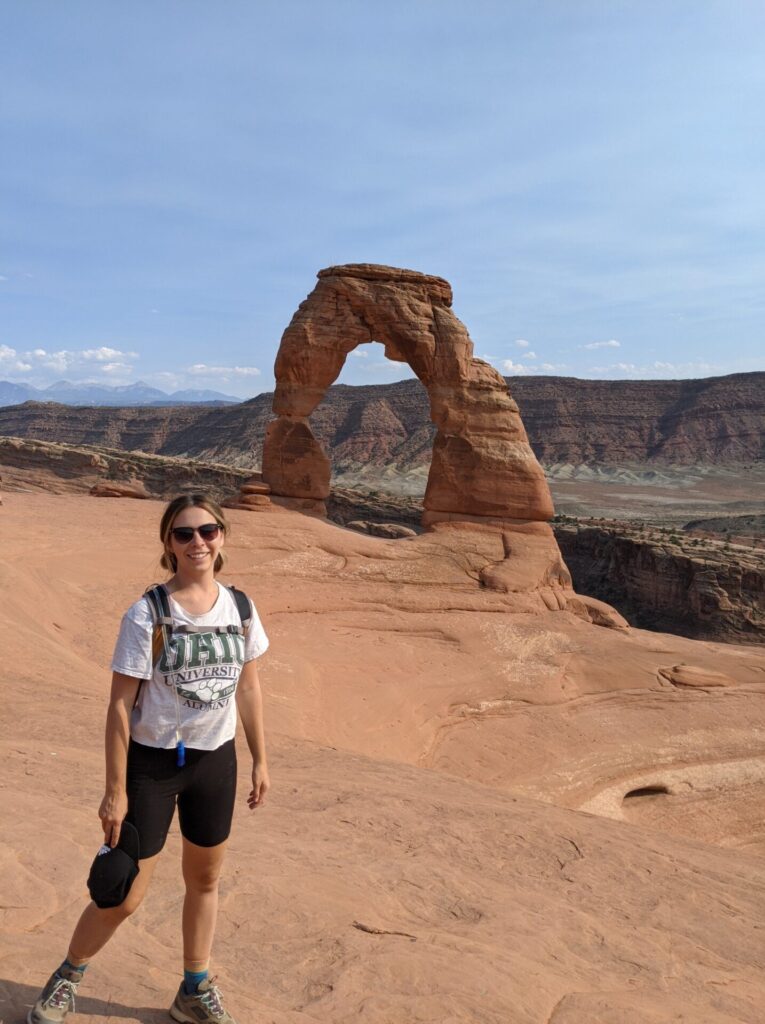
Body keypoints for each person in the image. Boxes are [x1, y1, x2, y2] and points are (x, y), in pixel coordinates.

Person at [28, 493, 270, 1024]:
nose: (197, 542)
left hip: (216, 762)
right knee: (124, 891)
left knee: (204, 880)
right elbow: (119, 705)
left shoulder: (241, 608)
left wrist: (260, 758)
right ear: (168, 543)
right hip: (154, 765)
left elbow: (248, 689)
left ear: (223, 536)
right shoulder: (147, 613)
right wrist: (114, 790)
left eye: (207, 531)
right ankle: (68, 976)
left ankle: (193, 989)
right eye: (184, 534)